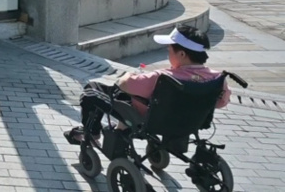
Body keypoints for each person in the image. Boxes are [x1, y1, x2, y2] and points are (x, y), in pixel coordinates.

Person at [65, 25, 231, 145]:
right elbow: (221, 102)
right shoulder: (217, 79)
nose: (168, 53)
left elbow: (124, 85)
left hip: (150, 119)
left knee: (92, 91)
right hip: (190, 121)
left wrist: (129, 75)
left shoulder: (164, 78)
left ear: (181, 54)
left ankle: (92, 134)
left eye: (169, 50)